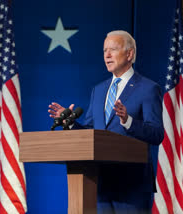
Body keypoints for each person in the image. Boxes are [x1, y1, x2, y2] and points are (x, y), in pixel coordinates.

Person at [48, 30, 164, 214]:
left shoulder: (148, 89)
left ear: (129, 54)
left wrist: (128, 121)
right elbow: (91, 132)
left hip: (132, 186)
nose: (107, 55)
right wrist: (69, 122)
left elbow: (157, 134)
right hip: (99, 182)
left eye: (113, 49)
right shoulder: (99, 90)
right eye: (104, 51)